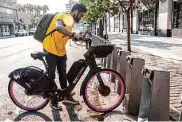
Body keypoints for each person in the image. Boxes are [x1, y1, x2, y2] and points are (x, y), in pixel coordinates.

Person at [43, 3, 87, 110]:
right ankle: (53, 101)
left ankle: (66, 95)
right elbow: (59, 27)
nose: (81, 18)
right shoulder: (64, 16)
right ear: (76, 12)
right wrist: (73, 35)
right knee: (51, 75)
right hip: (50, 49)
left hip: (60, 51)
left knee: (63, 73)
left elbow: (64, 34)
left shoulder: (70, 21)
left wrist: (78, 37)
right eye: (81, 15)